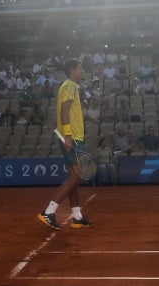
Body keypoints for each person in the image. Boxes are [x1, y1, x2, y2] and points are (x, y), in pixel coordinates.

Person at [37, 59, 93, 230]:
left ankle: (76, 216)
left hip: (72, 136)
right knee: (77, 177)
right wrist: (68, 135)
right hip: (72, 136)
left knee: (73, 178)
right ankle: (49, 211)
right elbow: (64, 110)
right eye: (80, 68)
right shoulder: (69, 86)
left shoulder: (69, 86)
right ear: (72, 70)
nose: (82, 70)